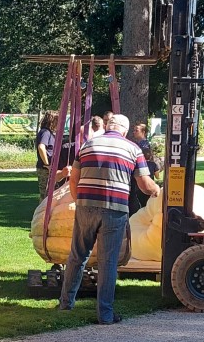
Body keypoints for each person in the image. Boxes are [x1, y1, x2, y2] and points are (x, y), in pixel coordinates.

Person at [58, 113, 159, 325]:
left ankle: (65, 305)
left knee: (77, 256)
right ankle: (105, 314)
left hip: (86, 207)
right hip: (115, 209)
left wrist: (80, 201)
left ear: (107, 126)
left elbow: (74, 179)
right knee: (108, 262)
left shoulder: (87, 146)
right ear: (125, 130)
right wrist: (156, 190)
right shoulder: (133, 149)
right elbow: (144, 184)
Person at [129, 120, 158, 214]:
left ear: (143, 132)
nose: (134, 132)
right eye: (134, 130)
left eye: (136, 130)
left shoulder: (144, 146)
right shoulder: (138, 144)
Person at [35, 112, 57, 198]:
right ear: (52, 121)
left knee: (49, 195)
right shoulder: (45, 132)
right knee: (46, 196)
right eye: (57, 121)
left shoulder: (48, 133)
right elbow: (41, 147)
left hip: (47, 168)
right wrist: (47, 164)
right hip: (45, 169)